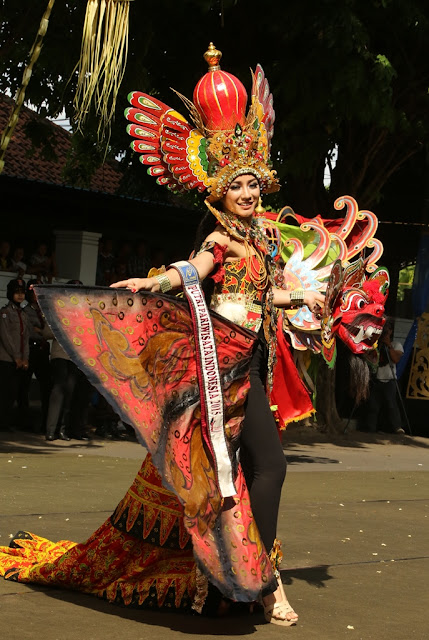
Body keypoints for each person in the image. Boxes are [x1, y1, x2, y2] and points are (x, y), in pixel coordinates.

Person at [0, 45, 325, 625]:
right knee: (247, 470)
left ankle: (243, 574)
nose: (249, 194)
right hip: (215, 369)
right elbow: (194, 271)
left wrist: (299, 295)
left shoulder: (267, 243)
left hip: (253, 366)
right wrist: (157, 285)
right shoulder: (219, 242)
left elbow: (257, 298)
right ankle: (263, 582)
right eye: (237, 187)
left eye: (253, 184)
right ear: (218, 193)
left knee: (254, 471)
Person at [18, 279, 52, 433]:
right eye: (34, 292)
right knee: (24, 387)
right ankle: (23, 421)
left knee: (47, 387)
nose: (36, 295)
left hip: (43, 351)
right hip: (31, 349)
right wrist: (39, 331)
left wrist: (41, 330)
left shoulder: (45, 310)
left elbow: (49, 329)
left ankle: (45, 422)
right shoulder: (25, 310)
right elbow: (29, 331)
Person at [364, 318, 405, 434]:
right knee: (373, 406)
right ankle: (370, 428)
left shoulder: (396, 345)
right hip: (376, 379)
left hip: (390, 380)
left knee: (391, 405)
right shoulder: (376, 345)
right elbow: (369, 358)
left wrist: (388, 345)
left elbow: (395, 359)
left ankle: (397, 428)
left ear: (391, 332)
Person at [0, 278, 30, 430]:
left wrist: (25, 358)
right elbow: (6, 337)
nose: (20, 296)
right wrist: (16, 357)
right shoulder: (5, 313)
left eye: (22, 293)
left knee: (14, 393)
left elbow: (25, 338)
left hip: (19, 360)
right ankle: (3, 423)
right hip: (6, 359)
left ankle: (8, 422)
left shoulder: (23, 314)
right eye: (16, 293)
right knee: (4, 392)